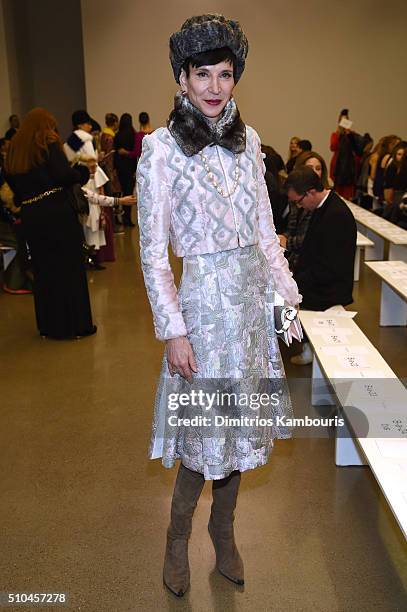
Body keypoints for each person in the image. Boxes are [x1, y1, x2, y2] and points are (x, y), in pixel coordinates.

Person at [136, 14, 301, 597]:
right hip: (203, 314)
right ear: (181, 78)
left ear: (236, 79)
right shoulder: (158, 151)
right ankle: (177, 537)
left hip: (249, 313)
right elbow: (154, 254)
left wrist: (286, 299)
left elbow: (264, 232)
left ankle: (223, 532)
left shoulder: (251, 142)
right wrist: (174, 330)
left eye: (224, 74)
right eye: (200, 73)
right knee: (202, 438)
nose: (212, 86)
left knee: (238, 431)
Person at [5, 108, 96, 339]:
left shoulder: (14, 149)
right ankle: (75, 325)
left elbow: (13, 185)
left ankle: (49, 326)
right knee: (69, 269)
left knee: (44, 271)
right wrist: (83, 173)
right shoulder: (46, 142)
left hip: (31, 216)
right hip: (57, 213)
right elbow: (63, 175)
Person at [285, 166, 356, 365]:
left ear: (311, 192)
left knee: (288, 294)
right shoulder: (322, 206)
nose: (298, 207)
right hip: (322, 276)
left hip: (331, 288)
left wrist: (297, 282)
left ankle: (309, 348)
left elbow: (330, 266)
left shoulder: (335, 215)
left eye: (298, 201)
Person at [283, 151, 330, 276]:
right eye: (310, 168)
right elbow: (292, 226)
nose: (315, 172)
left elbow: (309, 238)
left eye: (318, 168)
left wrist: (286, 242)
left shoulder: (320, 202)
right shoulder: (297, 195)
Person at [114, 113, 137, 227]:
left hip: (120, 168)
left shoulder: (117, 135)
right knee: (129, 193)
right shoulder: (133, 134)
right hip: (130, 168)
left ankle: (117, 218)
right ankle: (127, 218)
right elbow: (135, 153)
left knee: (119, 192)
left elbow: (115, 152)